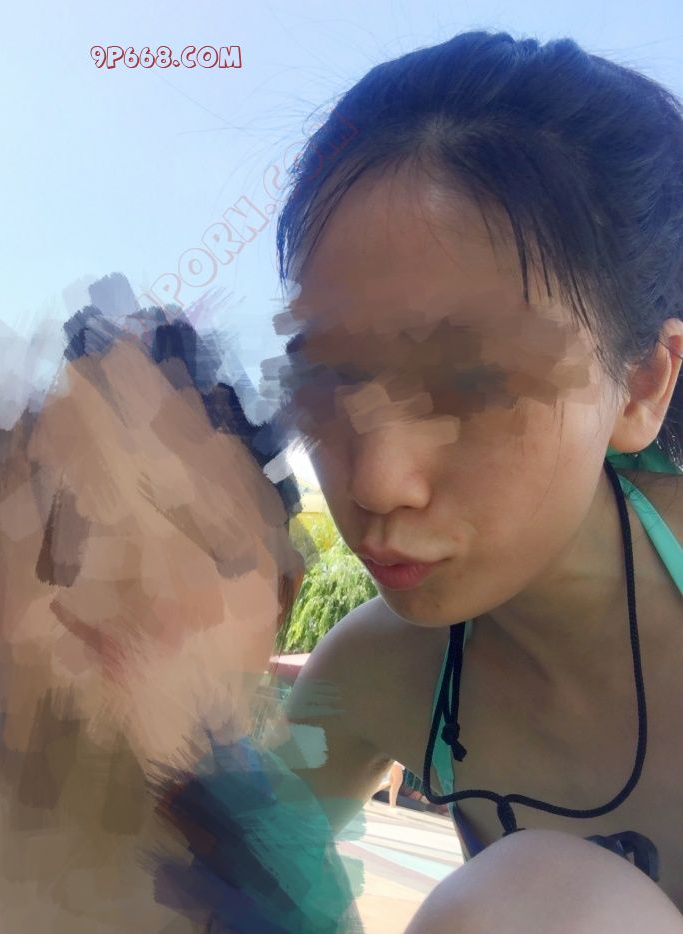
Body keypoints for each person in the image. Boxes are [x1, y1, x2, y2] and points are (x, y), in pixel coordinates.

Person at [265, 30, 683, 932]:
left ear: (642, 384)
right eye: (328, 376)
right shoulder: (383, 672)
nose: (377, 483)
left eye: (474, 381)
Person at [0, 295, 362, 932]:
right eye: (63, 532)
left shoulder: (281, 856)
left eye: (204, 540)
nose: (132, 590)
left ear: (281, 600)